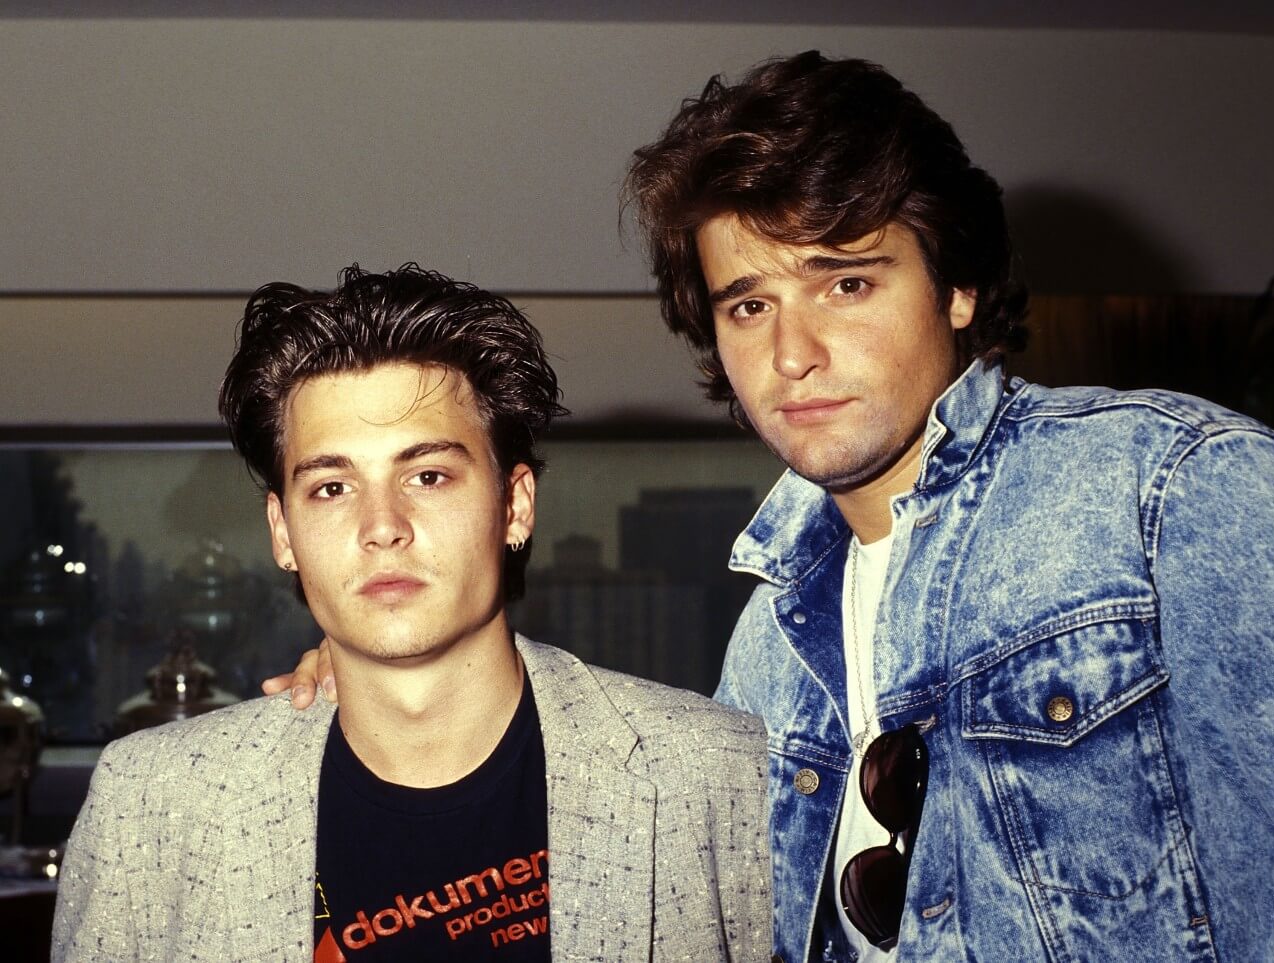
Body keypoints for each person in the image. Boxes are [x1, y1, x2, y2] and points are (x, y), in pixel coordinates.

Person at [271, 53, 1274, 963]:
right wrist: (394, 660)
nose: (790, 355)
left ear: (957, 286)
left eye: (843, 284)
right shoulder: (766, 647)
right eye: (748, 305)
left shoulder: (1172, 491)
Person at [52, 264, 772, 962]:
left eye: (427, 475)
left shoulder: (713, 774)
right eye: (332, 487)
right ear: (282, 533)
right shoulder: (148, 806)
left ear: (515, 505)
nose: (382, 525)